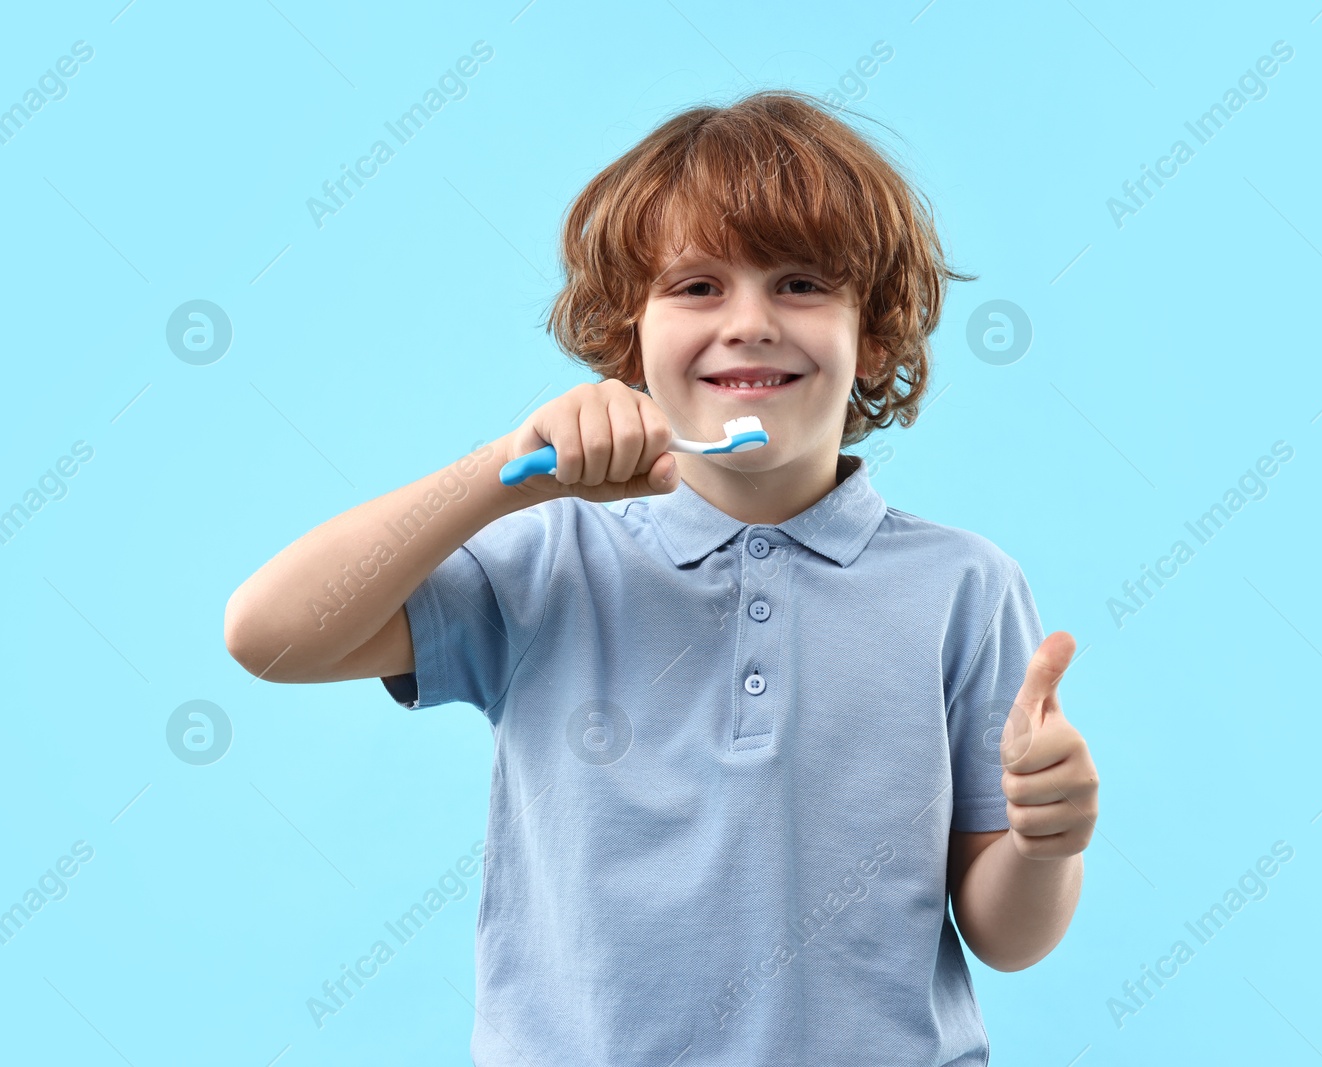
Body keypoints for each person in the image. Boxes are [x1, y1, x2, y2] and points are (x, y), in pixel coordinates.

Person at [224, 88, 1098, 1066]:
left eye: (802, 283)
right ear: (626, 332)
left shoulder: (963, 586)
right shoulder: (548, 559)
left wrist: (1044, 841)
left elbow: (1007, 934)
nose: (750, 322)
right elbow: (269, 633)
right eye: (696, 286)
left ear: (876, 336)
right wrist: (500, 478)